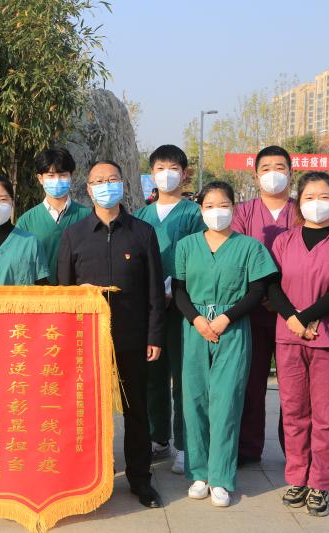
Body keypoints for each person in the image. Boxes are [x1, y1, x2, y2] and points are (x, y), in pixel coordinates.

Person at [58, 160, 166, 509]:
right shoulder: (73, 235)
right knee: (87, 410)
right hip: (86, 341)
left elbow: (154, 290)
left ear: (122, 184)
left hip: (133, 336)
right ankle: (90, 478)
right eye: (99, 181)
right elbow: (62, 292)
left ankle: (140, 479)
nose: (106, 185)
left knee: (136, 410)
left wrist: (154, 335)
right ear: (88, 189)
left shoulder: (142, 233)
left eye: (112, 179)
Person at [267, 171, 329, 517]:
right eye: (310, 197)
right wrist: (292, 319)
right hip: (290, 338)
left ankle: (321, 483)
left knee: (326, 416)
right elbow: (271, 285)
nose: (317, 203)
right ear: (299, 202)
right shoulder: (284, 241)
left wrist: (305, 317)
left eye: (324, 197)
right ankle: (297, 478)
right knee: (294, 413)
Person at [173, 181, 277, 507]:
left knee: (226, 401)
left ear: (234, 207)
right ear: (200, 209)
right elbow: (179, 289)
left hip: (232, 329)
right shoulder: (187, 246)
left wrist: (226, 318)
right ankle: (198, 473)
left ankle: (220, 477)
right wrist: (196, 319)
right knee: (194, 400)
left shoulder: (249, 248)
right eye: (209, 206)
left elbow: (257, 292)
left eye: (223, 205)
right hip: (195, 328)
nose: (216, 212)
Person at [133, 144, 204, 474]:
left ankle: (186, 445)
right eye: (160, 168)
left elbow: (198, 257)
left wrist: (172, 290)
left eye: (173, 168)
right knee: (152, 374)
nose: (166, 174)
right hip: (150, 307)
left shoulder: (194, 215)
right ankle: (157, 437)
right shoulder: (141, 216)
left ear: (184, 174)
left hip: (182, 306)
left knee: (184, 375)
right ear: (151, 174)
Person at [230, 145, 299, 465]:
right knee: (250, 384)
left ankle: (295, 451)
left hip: (294, 314)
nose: (273, 174)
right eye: (266, 168)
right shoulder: (243, 213)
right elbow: (237, 258)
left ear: (291, 173)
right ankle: (248, 448)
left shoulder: (302, 211)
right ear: (256, 176)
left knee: (294, 387)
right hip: (254, 311)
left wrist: (284, 301)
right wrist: (262, 295)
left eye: (280, 167)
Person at [15, 147, 91, 284]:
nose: (57, 180)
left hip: (79, 294)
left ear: (71, 177)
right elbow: (20, 266)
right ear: (40, 178)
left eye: (62, 175)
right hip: (40, 295)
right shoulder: (26, 222)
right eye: (51, 175)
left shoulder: (88, 217)